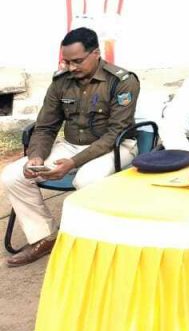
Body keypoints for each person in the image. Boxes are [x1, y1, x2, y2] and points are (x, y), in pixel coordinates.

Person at [2, 28, 140, 267]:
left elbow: (114, 134)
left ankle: (91, 242)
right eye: (67, 62)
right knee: (14, 175)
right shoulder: (61, 82)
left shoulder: (122, 82)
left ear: (95, 53)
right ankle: (45, 237)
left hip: (116, 147)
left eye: (77, 61)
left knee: (86, 179)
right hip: (71, 145)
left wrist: (73, 163)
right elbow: (45, 127)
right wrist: (36, 157)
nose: (71, 67)